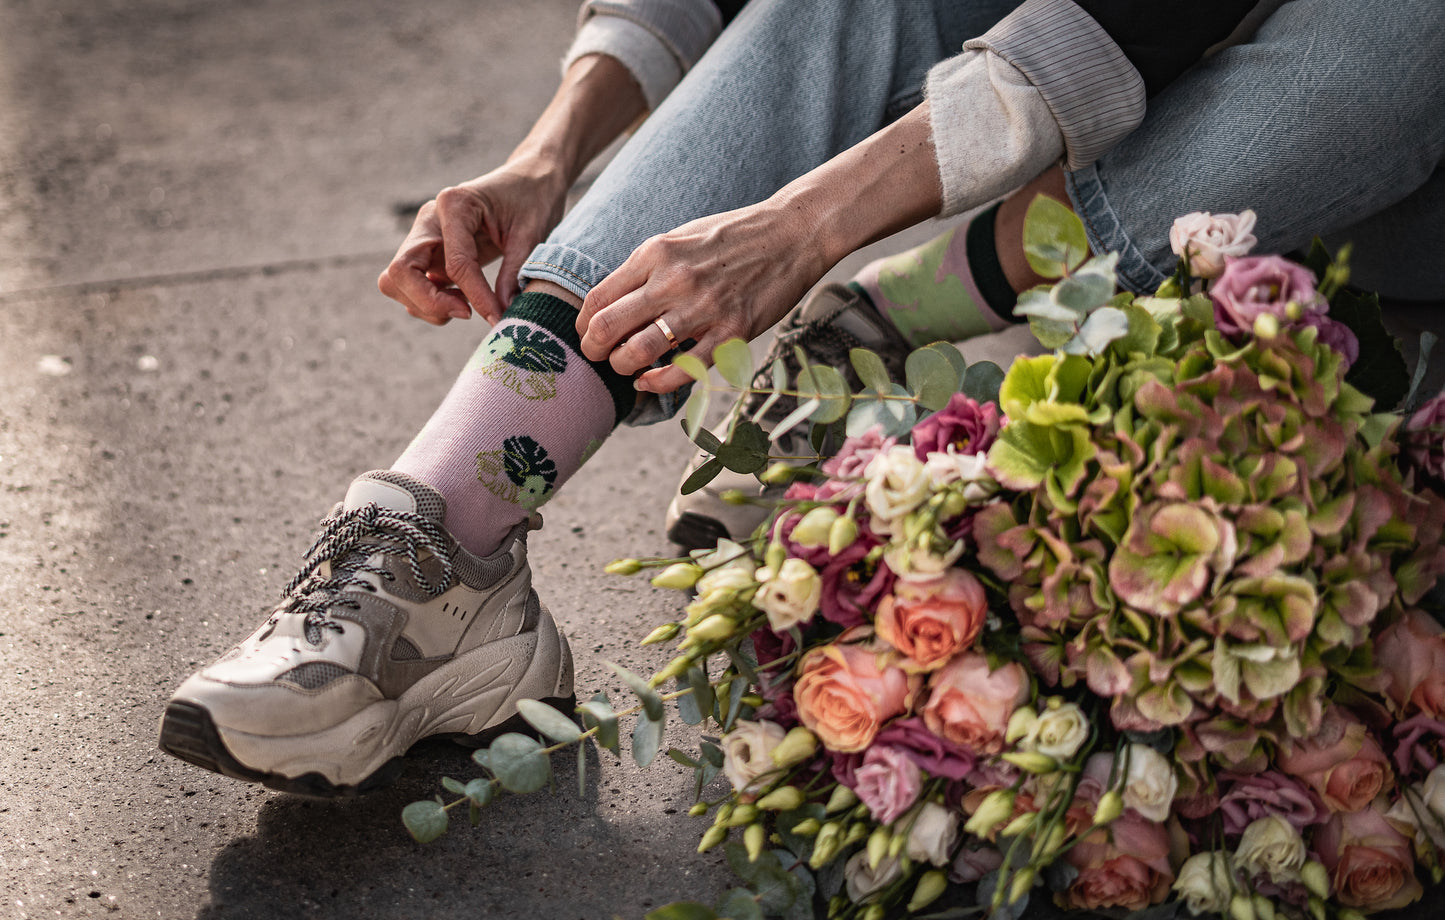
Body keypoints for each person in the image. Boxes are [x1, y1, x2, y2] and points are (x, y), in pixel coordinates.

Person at [158, 0, 1444, 794]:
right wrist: (550, 152)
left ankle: (886, 326)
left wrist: (802, 229)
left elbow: (1147, 11)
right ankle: (447, 543)